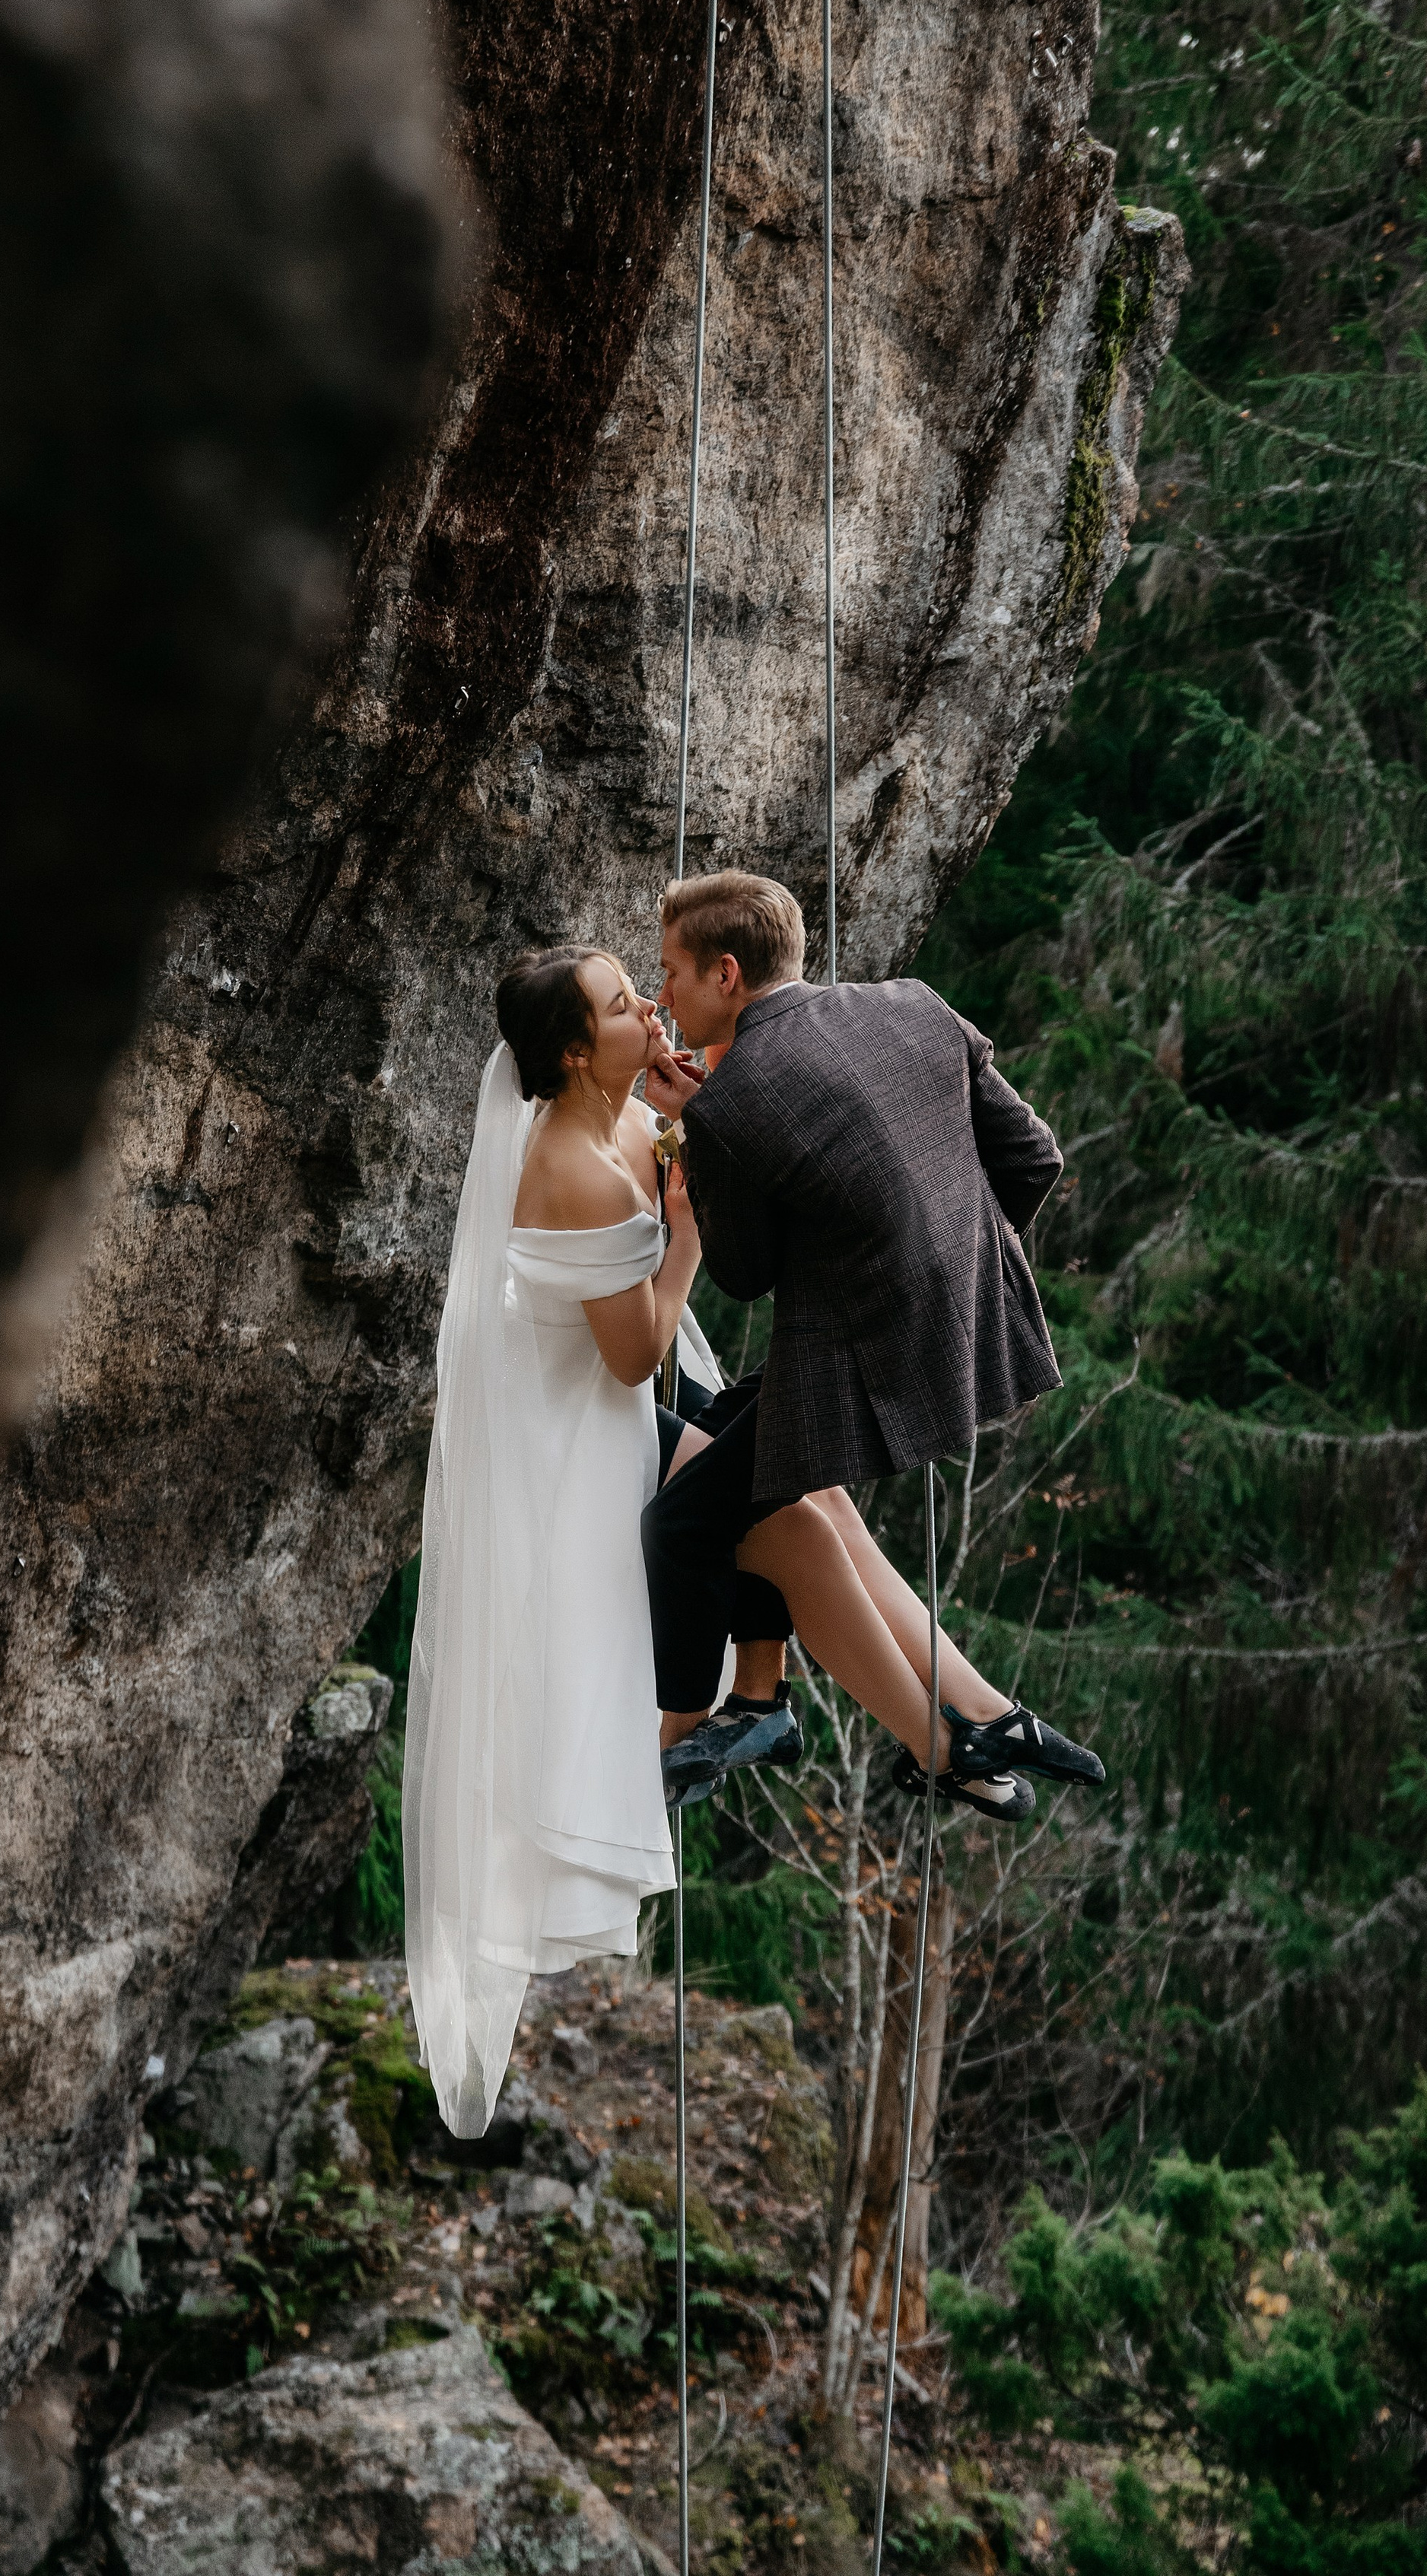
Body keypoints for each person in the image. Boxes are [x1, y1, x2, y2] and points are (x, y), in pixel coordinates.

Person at [644, 870, 1105, 1818]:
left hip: (861, 1365)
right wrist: (947, 1274)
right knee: (747, 1440)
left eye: (672, 975)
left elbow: (745, 1274)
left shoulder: (728, 1106)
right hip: (973, 1329)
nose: (662, 1000)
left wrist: (705, 1130)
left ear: (726, 973)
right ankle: (889, 1708)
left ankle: (714, 1729)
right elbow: (1033, 1158)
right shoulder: (916, 1005)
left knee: (683, 1524)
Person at [403, 944, 724, 2136]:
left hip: (608, 1415)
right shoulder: (572, 1168)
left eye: (639, 986)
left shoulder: (633, 1118)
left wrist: (688, 1131)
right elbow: (638, 1355)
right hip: (580, 1435)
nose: (648, 1004)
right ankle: (712, 1722)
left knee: (753, 1509)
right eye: (621, 1003)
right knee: (596, 1646)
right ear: (577, 1053)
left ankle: (742, 1707)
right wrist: (681, 1235)